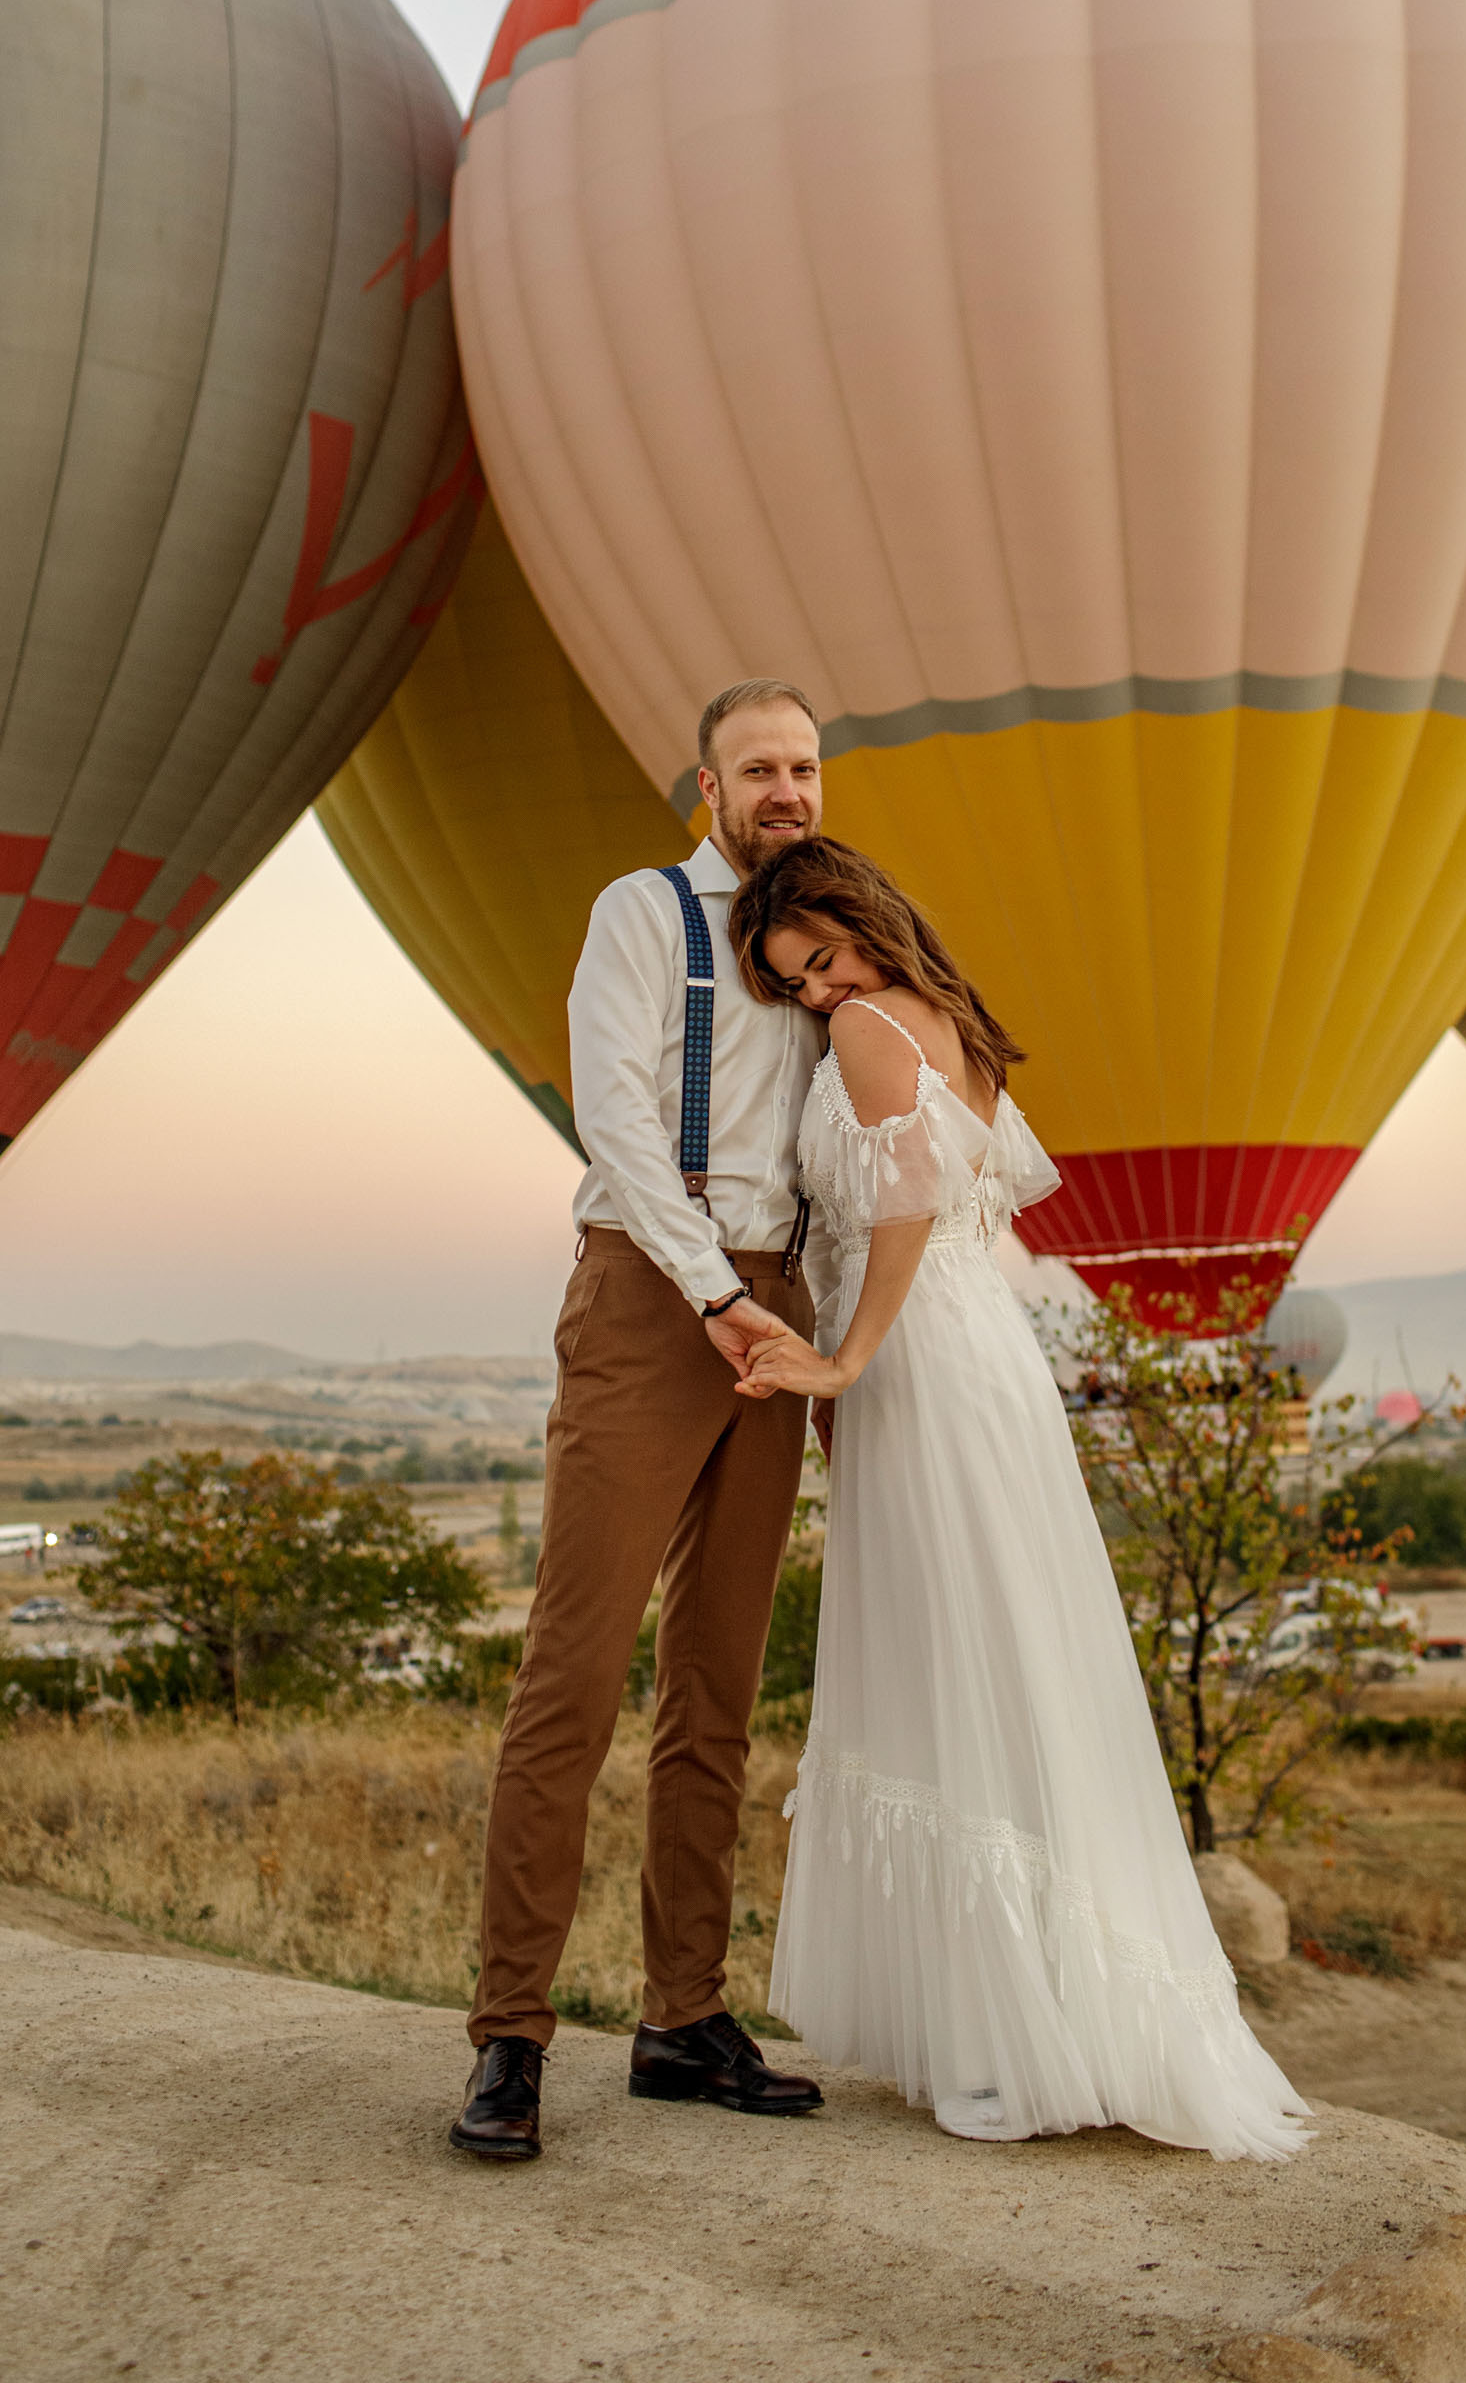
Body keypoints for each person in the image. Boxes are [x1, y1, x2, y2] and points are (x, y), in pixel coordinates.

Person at [724, 836, 1312, 2156]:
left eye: (818, 960)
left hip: (924, 1360)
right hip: (984, 1357)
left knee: (958, 1671)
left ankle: (1007, 2043)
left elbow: (904, 1213)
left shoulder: (875, 1027)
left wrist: (845, 1359)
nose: (816, 996)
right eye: (796, 985)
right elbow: (984, 1201)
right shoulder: (954, 1023)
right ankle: (1035, 2020)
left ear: (859, 920)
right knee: (1008, 1664)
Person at [450, 680, 838, 2166]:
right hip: (650, 1295)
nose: (787, 787)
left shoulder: (832, 940)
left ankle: (684, 2014)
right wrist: (709, 1297)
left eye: (806, 764)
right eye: (760, 766)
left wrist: (823, 1340)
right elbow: (610, 1114)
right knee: (574, 1669)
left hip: (779, 1312)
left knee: (719, 1681)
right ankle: (509, 2035)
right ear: (709, 781)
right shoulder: (645, 915)